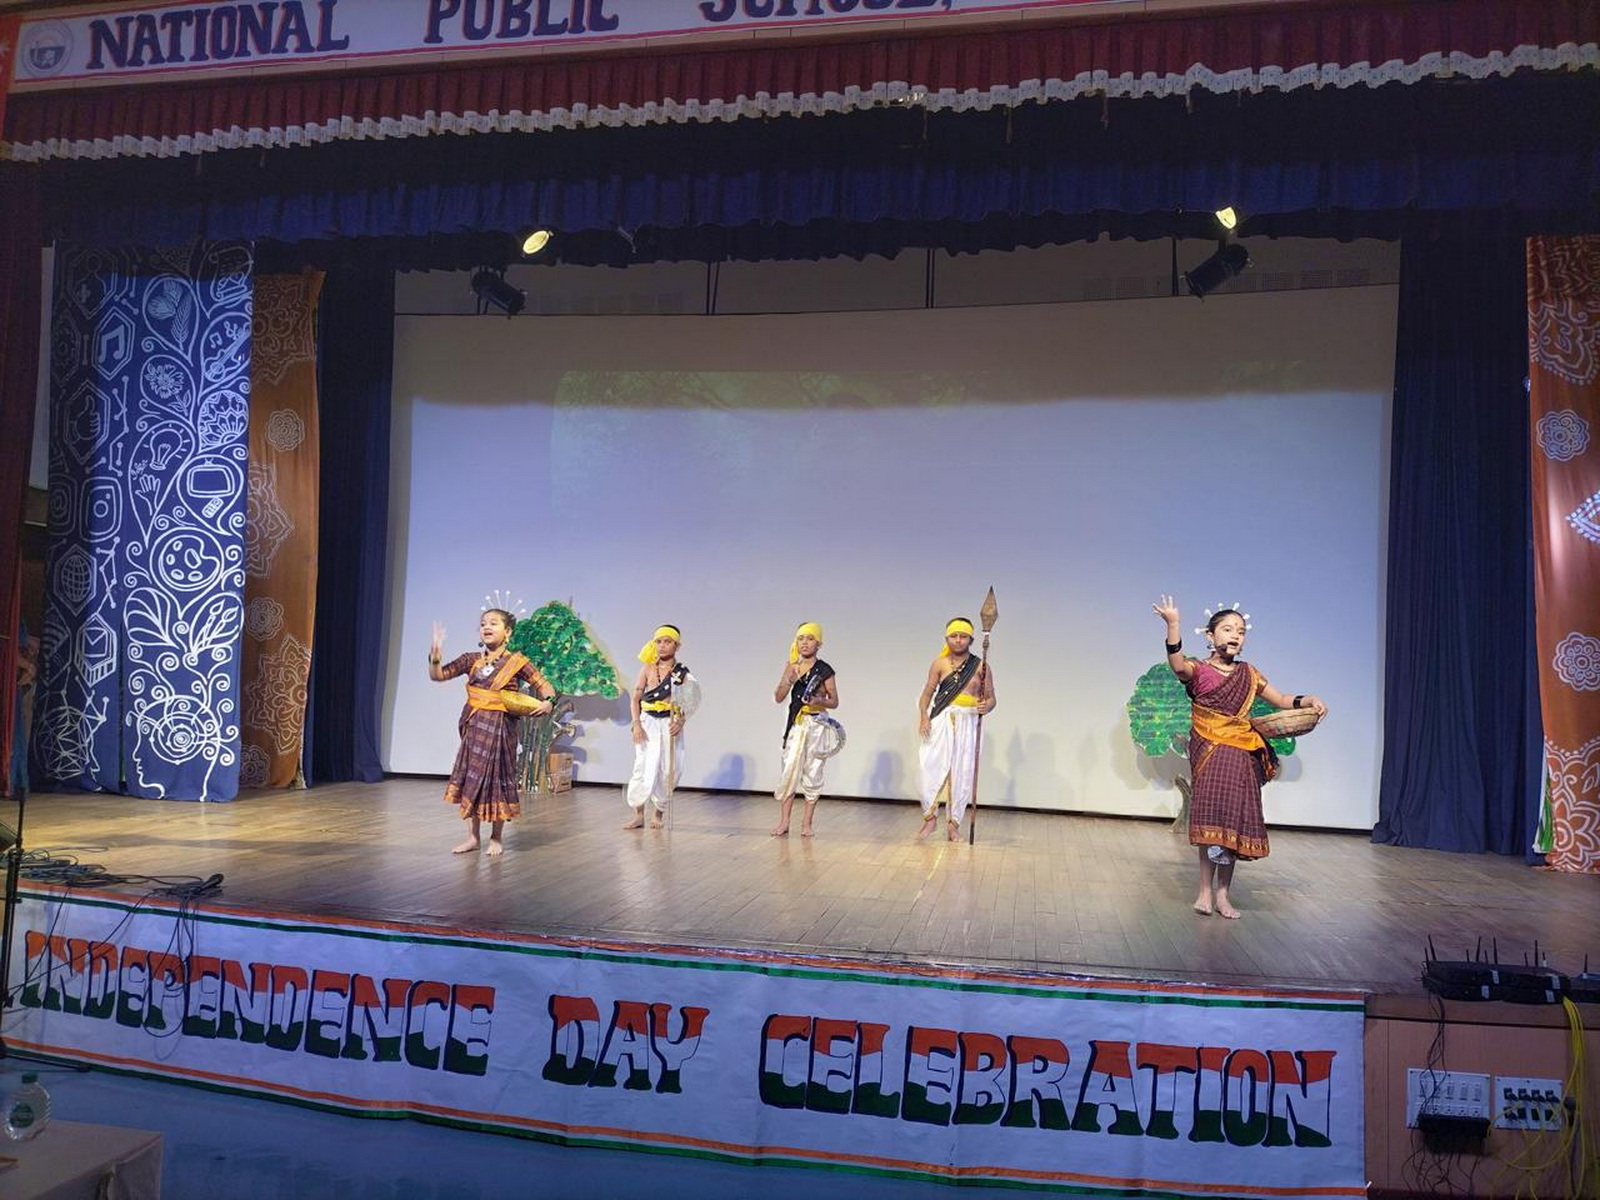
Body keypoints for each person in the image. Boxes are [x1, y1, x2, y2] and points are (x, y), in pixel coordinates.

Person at [1151, 595, 1326, 918]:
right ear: (1210, 635)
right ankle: (1204, 892)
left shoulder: (1249, 674)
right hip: (1210, 752)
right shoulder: (1200, 670)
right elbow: (1177, 665)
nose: (1235, 635)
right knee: (1210, 822)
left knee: (1232, 822)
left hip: (1242, 753)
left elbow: (1281, 700)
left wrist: (1308, 700)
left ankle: (1223, 896)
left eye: (1241, 631)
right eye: (1228, 629)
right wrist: (1173, 624)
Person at [428, 608, 555, 856]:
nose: (486, 627)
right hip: (474, 725)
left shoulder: (517, 662)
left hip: (501, 729)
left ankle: (496, 837)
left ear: (508, 632)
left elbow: (544, 686)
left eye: (493, 623)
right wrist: (435, 652)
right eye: (483, 623)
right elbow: (438, 675)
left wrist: (548, 702)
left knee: (498, 778)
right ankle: (473, 838)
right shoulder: (471, 659)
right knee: (472, 778)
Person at [916, 617, 997, 842]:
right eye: (954, 636)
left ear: (971, 639)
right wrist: (923, 716)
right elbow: (927, 694)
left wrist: (987, 706)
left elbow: (991, 698)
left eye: (963, 636)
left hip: (968, 722)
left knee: (962, 772)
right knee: (928, 767)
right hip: (941, 719)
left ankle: (954, 825)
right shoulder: (939, 664)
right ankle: (930, 818)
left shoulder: (981, 666)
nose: (958, 640)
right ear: (947, 638)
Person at [772, 621, 839, 838]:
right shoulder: (791, 666)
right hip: (797, 724)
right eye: (801, 638)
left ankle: (807, 823)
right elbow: (778, 697)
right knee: (789, 769)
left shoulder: (825, 670)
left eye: (810, 639)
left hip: (817, 725)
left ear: (818, 643)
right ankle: (784, 822)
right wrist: (788, 681)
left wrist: (818, 700)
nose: (805, 643)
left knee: (813, 770)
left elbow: (834, 701)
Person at [625, 625, 694, 830]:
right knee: (643, 765)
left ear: (677, 646)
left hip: (669, 723)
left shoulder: (681, 673)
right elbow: (635, 698)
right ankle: (638, 815)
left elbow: (689, 701)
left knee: (668, 768)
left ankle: (658, 814)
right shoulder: (647, 668)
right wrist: (636, 724)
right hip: (647, 722)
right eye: (659, 641)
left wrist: (680, 722)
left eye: (667, 642)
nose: (662, 646)